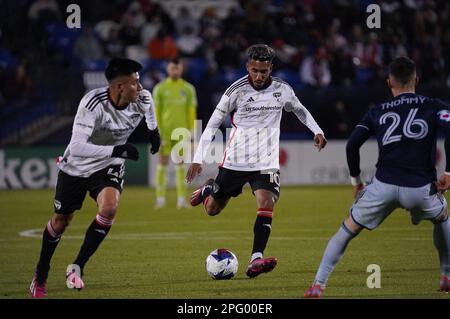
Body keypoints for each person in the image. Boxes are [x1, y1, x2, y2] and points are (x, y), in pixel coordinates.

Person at [304, 56, 450, 298]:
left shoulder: (377, 111)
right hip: (420, 188)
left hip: (383, 186)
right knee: (442, 218)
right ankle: (446, 276)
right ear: (416, 79)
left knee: (347, 230)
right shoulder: (434, 106)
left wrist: (356, 182)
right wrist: (447, 172)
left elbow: (352, 146)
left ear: (389, 82)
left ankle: (318, 285)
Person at [186, 44, 327, 278]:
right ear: (247, 67)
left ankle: (255, 259)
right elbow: (212, 124)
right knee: (212, 209)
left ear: (271, 67)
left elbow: (299, 110)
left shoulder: (283, 89)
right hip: (236, 161)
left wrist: (317, 130)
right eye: (254, 70)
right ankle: (210, 188)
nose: (259, 76)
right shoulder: (235, 91)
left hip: (266, 162)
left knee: (266, 202)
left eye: (263, 71)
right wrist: (198, 158)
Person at [29, 58, 161, 298]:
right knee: (61, 221)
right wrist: (116, 150)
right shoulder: (92, 103)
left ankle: (77, 265)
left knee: (109, 209)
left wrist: (154, 131)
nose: (140, 87)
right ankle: (41, 272)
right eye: (134, 83)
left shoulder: (142, 98)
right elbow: (78, 146)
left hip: (109, 165)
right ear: (119, 86)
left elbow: (149, 109)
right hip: (77, 167)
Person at [152, 58, 197, 209]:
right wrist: (157, 133)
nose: (175, 71)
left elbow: (191, 112)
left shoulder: (188, 88)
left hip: (182, 132)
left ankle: (181, 200)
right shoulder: (160, 88)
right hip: (164, 133)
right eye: (172, 68)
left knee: (180, 166)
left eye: (177, 68)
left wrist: (191, 132)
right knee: (162, 164)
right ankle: (160, 199)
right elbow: (155, 113)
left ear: (181, 69)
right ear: (168, 69)